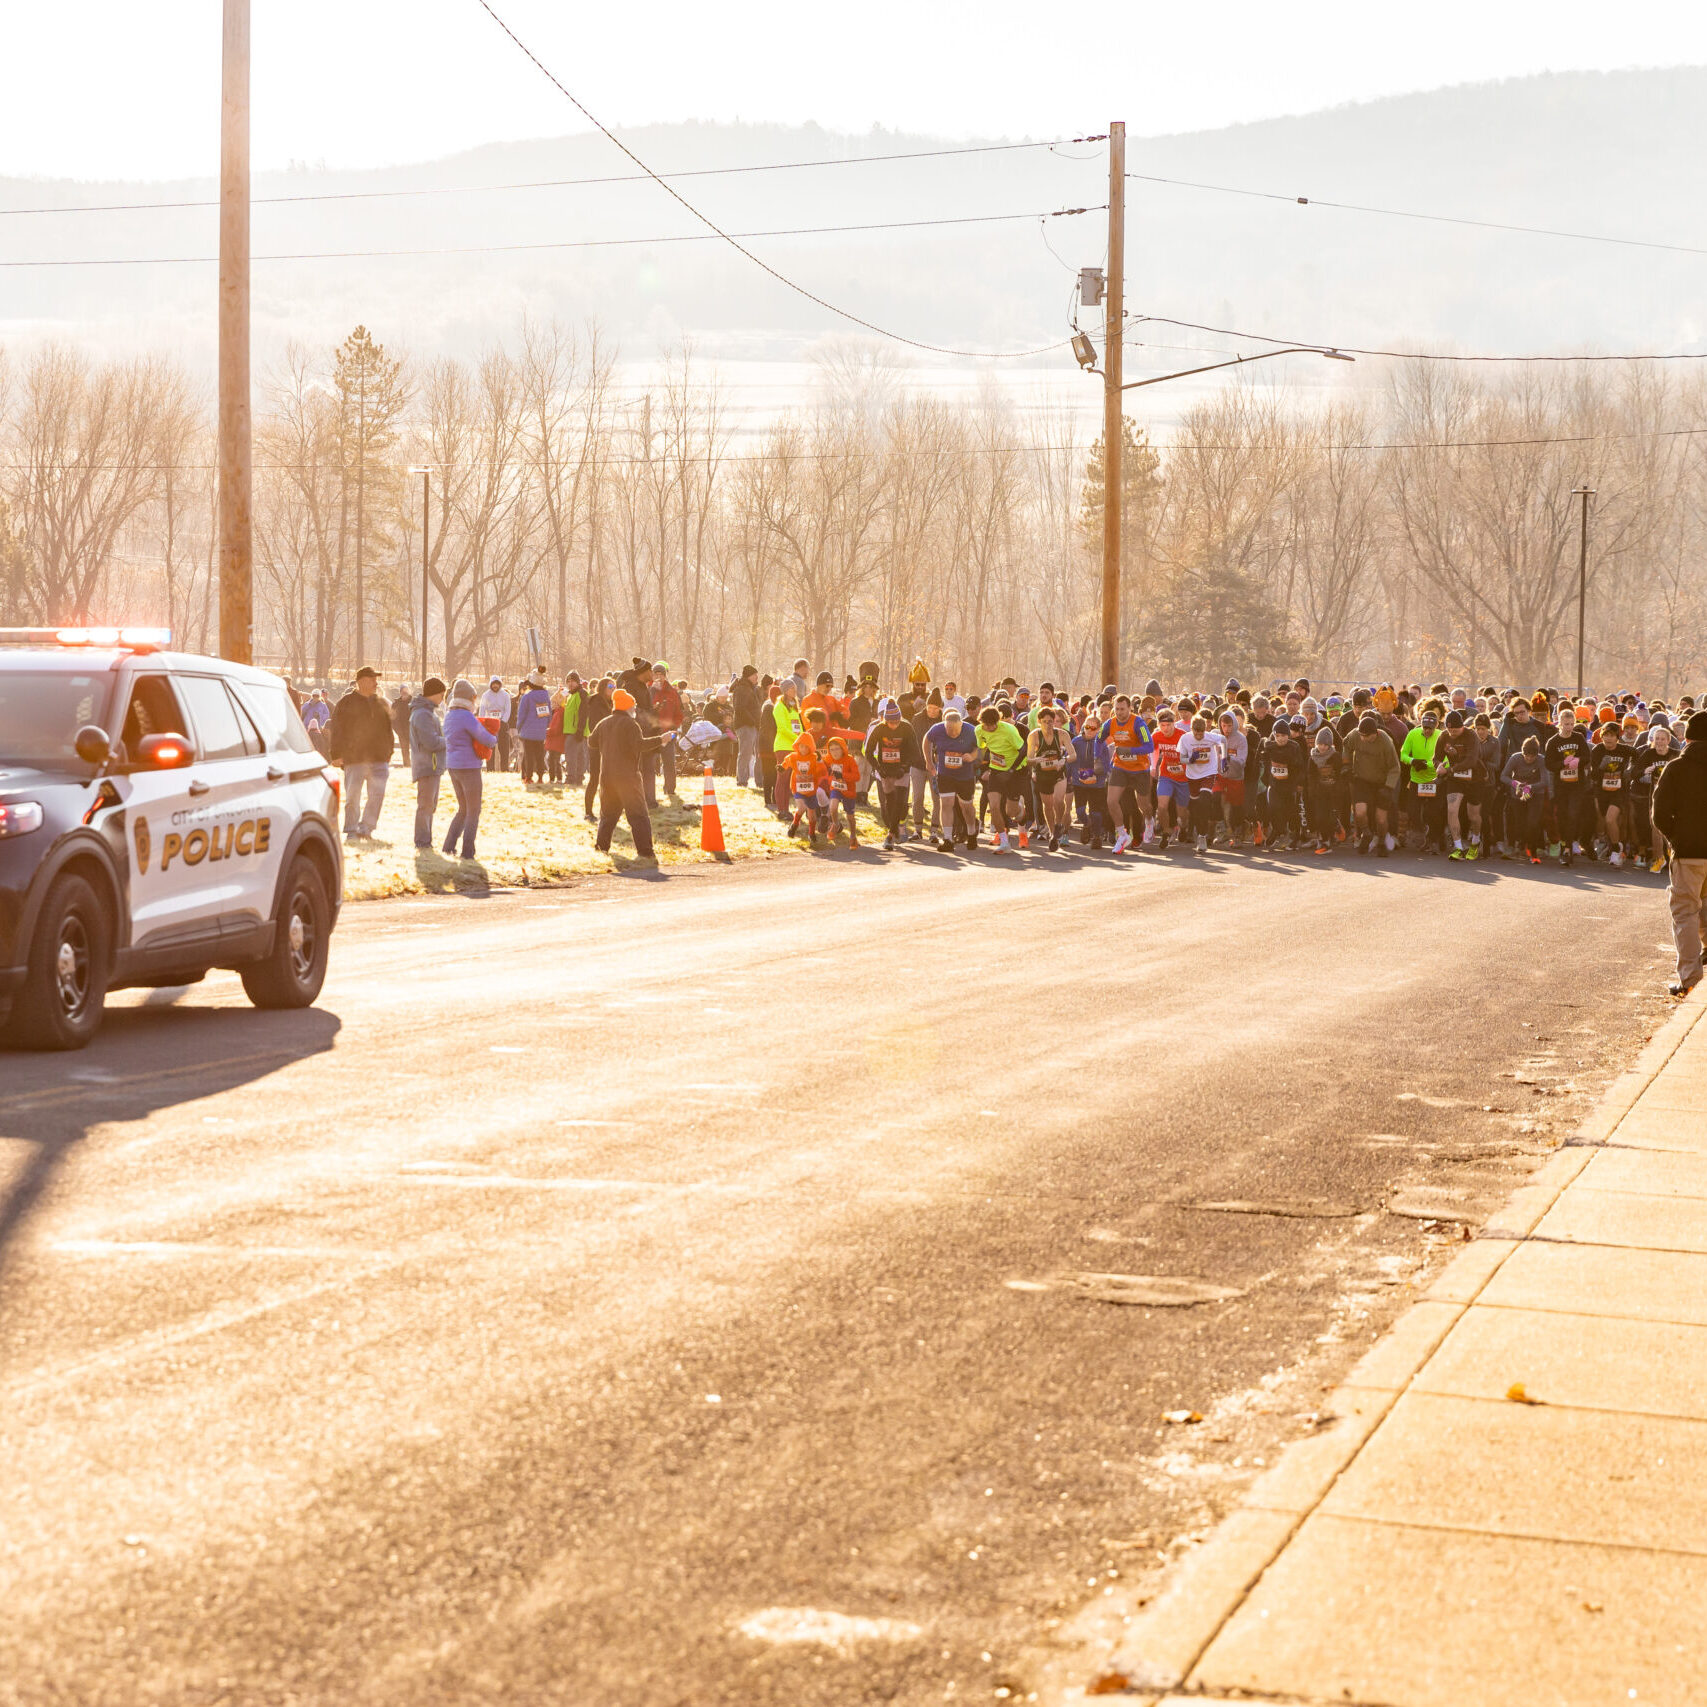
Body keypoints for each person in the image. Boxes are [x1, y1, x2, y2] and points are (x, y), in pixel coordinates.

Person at [1653, 710, 1707, 997]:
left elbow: (1659, 813)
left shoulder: (1677, 767)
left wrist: (1677, 838)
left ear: (1687, 737)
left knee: (1685, 911)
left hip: (1689, 851)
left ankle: (1690, 978)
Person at [589, 687, 663, 860]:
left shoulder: (604, 722)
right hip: (628, 778)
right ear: (628, 707)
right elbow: (640, 745)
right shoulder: (631, 724)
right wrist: (662, 740)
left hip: (607, 777)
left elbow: (592, 742)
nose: (635, 709)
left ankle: (601, 847)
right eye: (634, 706)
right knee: (638, 815)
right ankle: (645, 851)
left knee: (607, 816)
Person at [328, 666, 395, 843]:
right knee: (352, 797)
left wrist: (389, 752)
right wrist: (336, 754)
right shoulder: (346, 703)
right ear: (362, 681)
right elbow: (337, 730)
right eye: (372, 680)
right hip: (354, 759)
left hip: (379, 759)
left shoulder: (380, 703)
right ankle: (351, 830)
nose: (376, 683)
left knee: (377, 796)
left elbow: (388, 730)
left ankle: (366, 828)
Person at [863, 699, 924, 851]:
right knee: (889, 803)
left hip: (901, 768)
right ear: (885, 720)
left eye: (896, 722)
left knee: (900, 802)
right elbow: (868, 752)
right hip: (886, 769)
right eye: (890, 722)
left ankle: (890, 835)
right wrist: (878, 767)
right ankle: (893, 829)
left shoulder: (907, 727)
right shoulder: (879, 729)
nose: (894, 725)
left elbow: (915, 752)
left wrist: (904, 767)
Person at [442, 679, 493, 860]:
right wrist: (493, 737)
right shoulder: (466, 716)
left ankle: (448, 846)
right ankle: (468, 851)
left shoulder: (449, 715)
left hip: (453, 766)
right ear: (469, 698)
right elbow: (486, 739)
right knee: (473, 810)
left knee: (463, 809)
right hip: (469, 767)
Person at [924, 705, 981, 851]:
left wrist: (972, 756)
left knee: (966, 806)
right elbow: (927, 740)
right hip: (945, 773)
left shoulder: (971, 730)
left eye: (956, 731)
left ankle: (971, 833)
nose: (953, 733)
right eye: (949, 730)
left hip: (965, 775)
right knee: (947, 803)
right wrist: (929, 761)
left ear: (961, 725)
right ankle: (948, 840)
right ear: (945, 725)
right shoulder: (937, 729)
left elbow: (979, 748)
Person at [1102, 693, 1153, 854]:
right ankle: (1122, 834)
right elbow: (1098, 739)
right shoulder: (1110, 723)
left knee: (1143, 804)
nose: (1119, 712)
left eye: (1122, 709)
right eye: (1116, 709)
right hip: (1120, 767)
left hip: (1140, 768)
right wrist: (1104, 762)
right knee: (1111, 801)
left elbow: (1149, 746)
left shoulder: (1139, 723)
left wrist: (1129, 750)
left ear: (1130, 708)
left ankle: (1150, 820)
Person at [1545, 705, 1595, 866]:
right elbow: (1548, 764)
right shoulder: (1553, 741)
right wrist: (1562, 763)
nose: (1569, 727)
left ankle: (1569, 845)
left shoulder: (1578, 738)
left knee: (1574, 814)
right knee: (1563, 815)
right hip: (1561, 785)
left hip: (1577, 784)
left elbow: (1587, 756)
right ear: (1559, 723)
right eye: (1566, 724)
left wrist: (1578, 761)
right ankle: (1565, 846)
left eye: (1571, 724)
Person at [974, 704, 1026, 852]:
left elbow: (1023, 750)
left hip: (1015, 770)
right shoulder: (979, 730)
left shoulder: (1009, 730)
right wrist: (980, 764)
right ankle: (1004, 842)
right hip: (996, 770)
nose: (990, 728)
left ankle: (1021, 811)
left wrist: (1010, 770)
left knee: (1011, 812)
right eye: (987, 725)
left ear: (998, 721)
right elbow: (983, 746)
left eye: (993, 725)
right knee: (994, 805)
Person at [1175, 712, 1226, 854]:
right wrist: (1190, 759)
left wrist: (1224, 758)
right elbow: (1181, 759)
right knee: (1195, 808)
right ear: (1192, 730)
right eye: (1196, 734)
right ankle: (1194, 831)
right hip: (1192, 776)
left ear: (1205, 730)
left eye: (1201, 733)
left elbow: (1223, 740)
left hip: (1208, 773)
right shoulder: (1185, 739)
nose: (1199, 736)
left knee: (1204, 801)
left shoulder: (1210, 736)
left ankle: (1202, 837)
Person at [1027, 704, 1073, 850]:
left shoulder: (1062, 734)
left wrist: (1063, 760)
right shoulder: (1034, 735)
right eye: (1045, 722)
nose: (1048, 725)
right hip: (1042, 774)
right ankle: (1053, 834)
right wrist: (1036, 761)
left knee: (1059, 800)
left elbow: (1073, 754)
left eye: (1051, 721)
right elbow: (1028, 758)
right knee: (1048, 806)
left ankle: (1059, 824)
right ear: (1039, 722)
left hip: (1058, 772)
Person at [408, 678, 447, 850]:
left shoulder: (425, 712)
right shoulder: (423, 714)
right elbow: (431, 742)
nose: (442, 698)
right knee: (426, 805)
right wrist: (448, 740)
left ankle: (426, 840)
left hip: (430, 765)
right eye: (442, 694)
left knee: (430, 805)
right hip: (427, 766)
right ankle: (422, 842)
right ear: (435, 693)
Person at [1500, 735, 1549, 864]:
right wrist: (1515, 784)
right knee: (1519, 822)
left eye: (1532, 756)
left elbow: (1545, 781)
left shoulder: (1541, 760)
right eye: (1526, 755)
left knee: (1532, 822)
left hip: (1535, 793)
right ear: (1522, 752)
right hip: (1517, 793)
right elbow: (1503, 776)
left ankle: (1533, 850)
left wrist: (1531, 787)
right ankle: (1518, 846)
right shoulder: (1515, 758)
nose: (1529, 758)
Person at [781, 731, 831, 845]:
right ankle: (794, 825)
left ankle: (811, 833)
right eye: (801, 746)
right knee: (802, 807)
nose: (803, 749)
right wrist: (782, 768)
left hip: (811, 790)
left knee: (811, 814)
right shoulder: (793, 756)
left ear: (811, 747)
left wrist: (819, 761)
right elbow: (786, 762)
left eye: (806, 747)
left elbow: (823, 772)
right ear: (797, 746)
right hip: (797, 788)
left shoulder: (814, 758)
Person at [772, 680, 805, 818]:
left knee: (789, 780)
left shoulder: (794, 707)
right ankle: (782, 809)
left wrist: (804, 738)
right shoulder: (779, 706)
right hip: (783, 747)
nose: (794, 690)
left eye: (795, 688)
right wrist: (798, 740)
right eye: (791, 688)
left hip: (794, 747)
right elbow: (783, 728)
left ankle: (787, 808)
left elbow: (799, 726)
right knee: (782, 778)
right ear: (785, 690)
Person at [822, 735, 862, 847]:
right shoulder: (828, 759)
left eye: (837, 749)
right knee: (833, 807)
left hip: (849, 790)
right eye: (832, 749)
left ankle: (853, 836)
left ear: (843, 748)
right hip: (836, 788)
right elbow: (821, 767)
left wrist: (843, 775)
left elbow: (857, 777)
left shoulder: (849, 759)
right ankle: (835, 824)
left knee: (850, 816)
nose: (834, 752)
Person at [515, 670, 553, 784]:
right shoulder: (546, 697)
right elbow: (548, 714)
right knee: (540, 755)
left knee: (528, 755)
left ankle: (528, 777)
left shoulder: (526, 697)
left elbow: (521, 715)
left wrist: (519, 727)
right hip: (541, 732)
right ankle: (540, 777)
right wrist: (545, 725)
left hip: (527, 732)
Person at [732, 665, 762, 788]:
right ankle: (742, 780)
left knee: (755, 753)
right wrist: (752, 721)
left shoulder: (750, 688)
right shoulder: (743, 689)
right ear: (749, 676)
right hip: (745, 726)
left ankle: (758, 780)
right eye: (755, 675)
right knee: (745, 753)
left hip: (752, 725)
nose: (757, 677)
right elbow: (740, 708)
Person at [561, 672, 592, 788]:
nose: (570, 684)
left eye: (572, 681)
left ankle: (572, 777)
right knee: (578, 756)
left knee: (573, 756)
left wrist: (580, 729)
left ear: (578, 681)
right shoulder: (571, 695)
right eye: (568, 681)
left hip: (576, 731)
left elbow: (583, 712)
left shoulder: (581, 694)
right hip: (571, 730)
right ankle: (577, 777)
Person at [476, 677, 511, 772]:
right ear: (490, 684)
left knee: (504, 748)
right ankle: (490, 769)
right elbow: (482, 710)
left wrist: (504, 721)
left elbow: (508, 709)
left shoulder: (505, 695)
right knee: (490, 748)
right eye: (493, 684)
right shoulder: (485, 695)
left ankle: (505, 769)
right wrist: (482, 723)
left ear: (500, 684)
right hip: (489, 724)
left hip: (502, 723)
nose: (495, 686)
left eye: (497, 684)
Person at [301, 689, 331, 756]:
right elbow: (302, 712)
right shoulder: (307, 704)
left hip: (318, 728)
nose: (315, 697)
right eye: (314, 696)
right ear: (312, 696)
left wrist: (319, 715)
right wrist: (309, 705)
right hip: (307, 726)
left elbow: (327, 715)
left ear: (319, 696)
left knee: (317, 741)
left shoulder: (323, 705)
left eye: (317, 696)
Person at [390, 682, 414, 770]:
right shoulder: (396, 704)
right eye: (403, 692)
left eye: (406, 691)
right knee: (405, 751)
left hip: (413, 731)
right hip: (402, 732)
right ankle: (407, 767)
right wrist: (398, 731)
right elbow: (392, 719)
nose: (404, 693)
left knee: (416, 750)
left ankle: (415, 767)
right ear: (400, 692)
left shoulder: (414, 702)